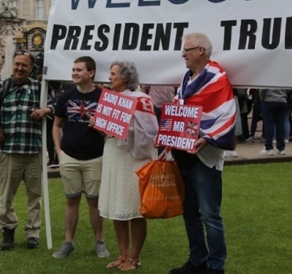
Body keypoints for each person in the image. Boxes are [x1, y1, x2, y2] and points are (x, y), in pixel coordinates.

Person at [169, 33, 236, 274]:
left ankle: (216, 267)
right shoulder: (186, 78)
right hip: (183, 153)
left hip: (205, 157)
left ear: (200, 50)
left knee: (210, 215)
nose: (183, 55)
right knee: (190, 212)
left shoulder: (217, 78)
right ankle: (197, 260)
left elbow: (227, 113)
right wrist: (168, 135)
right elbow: (178, 109)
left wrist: (207, 138)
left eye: (186, 50)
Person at [0, 52, 46, 250]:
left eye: (24, 65)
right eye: (17, 64)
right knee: (6, 196)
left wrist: (46, 110)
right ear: (13, 65)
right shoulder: (1, 87)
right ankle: (8, 230)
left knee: (35, 196)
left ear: (31, 69)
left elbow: (54, 105)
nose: (20, 68)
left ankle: (33, 233)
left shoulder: (39, 88)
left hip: (33, 151)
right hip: (9, 151)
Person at [47, 56, 109, 260]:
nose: (74, 73)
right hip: (69, 156)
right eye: (73, 69)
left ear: (91, 73)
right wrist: (59, 151)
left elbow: (110, 131)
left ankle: (99, 241)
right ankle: (68, 242)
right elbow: (56, 125)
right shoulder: (66, 96)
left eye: (79, 70)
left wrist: (99, 127)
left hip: (95, 156)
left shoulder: (103, 96)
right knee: (71, 200)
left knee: (94, 201)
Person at [97, 61, 158, 271]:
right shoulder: (110, 99)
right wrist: (101, 126)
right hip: (113, 153)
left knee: (134, 207)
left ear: (125, 77)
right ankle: (123, 254)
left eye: (113, 73)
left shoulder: (141, 99)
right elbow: (108, 130)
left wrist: (122, 131)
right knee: (117, 205)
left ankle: (135, 257)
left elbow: (149, 131)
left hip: (133, 157)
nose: (109, 77)